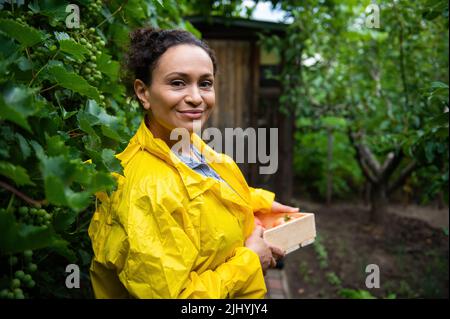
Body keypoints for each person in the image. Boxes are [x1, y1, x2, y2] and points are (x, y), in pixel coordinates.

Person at [88, 27, 300, 299]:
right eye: (178, 83)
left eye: (205, 83)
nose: (196, 97)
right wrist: (249, 262)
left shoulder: (187, 146)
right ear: (143, 92)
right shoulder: (144, 192)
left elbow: (201, 192)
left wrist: (253, 201)